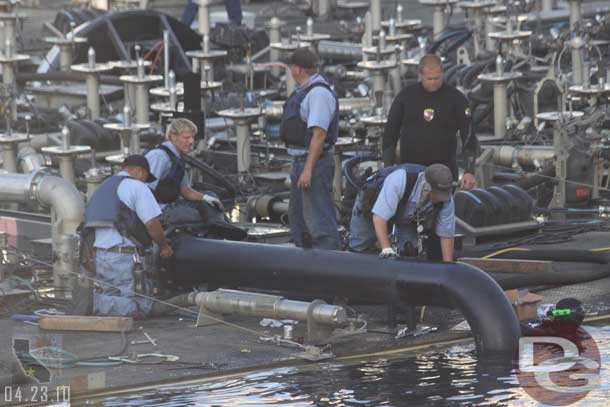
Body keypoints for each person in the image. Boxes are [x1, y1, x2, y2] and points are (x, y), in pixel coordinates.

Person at [84, 155, 173, 317]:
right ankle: (96, 308)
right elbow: (152, 223)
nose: (145, 182)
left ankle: (102, 319)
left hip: (101, 255)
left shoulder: (103, 187)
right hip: (123, 257)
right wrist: (164, 246)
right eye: (146, 177)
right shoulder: (136, 186)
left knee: (110, 301)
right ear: (139, 172)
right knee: (133, 308)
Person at [383, 54, 479, 190]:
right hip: (411, 173)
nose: (433, 82)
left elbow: (469, 136)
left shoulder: (456, 99)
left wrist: (469, 171)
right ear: (420, 75)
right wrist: (387, 167)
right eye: (429, 78)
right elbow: (390, 134)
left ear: (443, 74)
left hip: (444, 173)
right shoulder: (405, 97)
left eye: (437, 78)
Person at [280, 48, 340, 250]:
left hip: (315, 163)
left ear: (297, 69)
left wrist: (307, 169)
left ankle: (330, 266)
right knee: (299, 221)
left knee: (319, 221)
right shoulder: (305, 90)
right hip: (302, 161)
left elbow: (319, 135)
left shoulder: (319, 94)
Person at [349, 163, 456, 262]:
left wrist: (447, 267)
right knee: (359, 248)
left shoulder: (446, 200)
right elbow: (379, 217)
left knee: (409, 254)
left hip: (407, 215)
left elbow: (446, 234)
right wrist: (386, 249)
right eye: (438, 194)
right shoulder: (400, 179)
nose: (441, 199)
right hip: (372, 205)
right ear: (427, 186)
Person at [145, 118, 222, 210]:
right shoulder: (159, 157)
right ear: (173, 137)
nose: (191, 141)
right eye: (186, 138)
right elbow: (145, 190)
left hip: (169, 205)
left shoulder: (178, 157)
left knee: (211, 197)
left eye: (192, 137)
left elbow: (185, 190)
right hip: (156, 209)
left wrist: (206, 198)